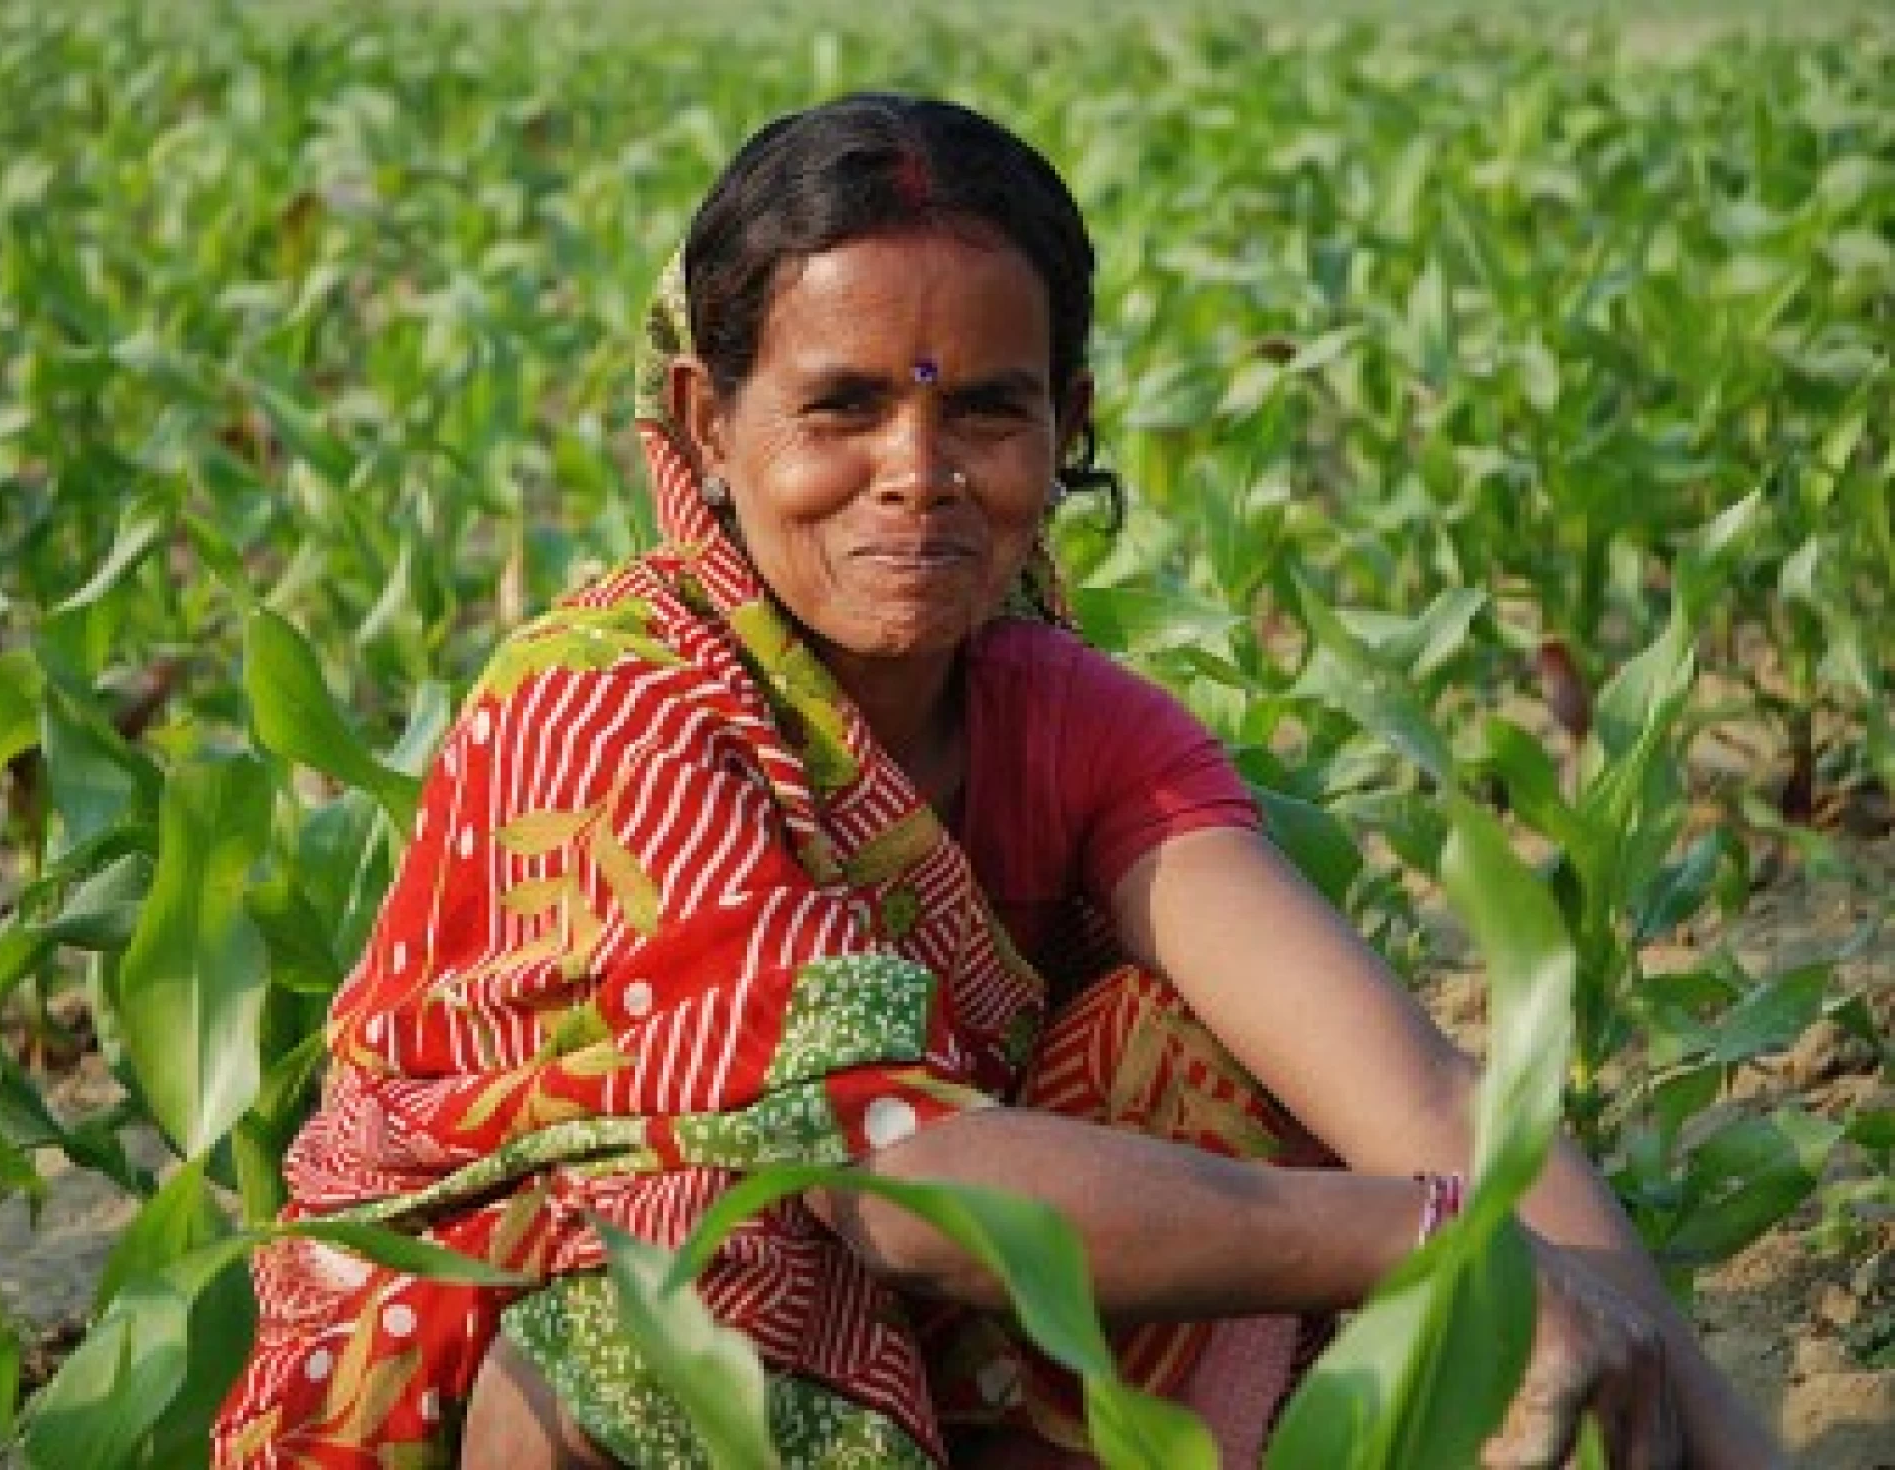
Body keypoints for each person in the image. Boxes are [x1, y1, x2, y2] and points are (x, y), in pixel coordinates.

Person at [212, 93, 1779, 1469]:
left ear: (1066, 426)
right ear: (710, 421)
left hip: (921, 1331)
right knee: (697, 1269)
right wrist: (1438, 1240)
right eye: (842, 404)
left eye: (984, 407)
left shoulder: (1076, 721)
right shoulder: (614, 708)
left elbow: (1425, 1101)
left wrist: (1680, 1398)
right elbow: (901, 1187)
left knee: (1217, 1070)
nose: (917, 468)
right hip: (489, 1362)